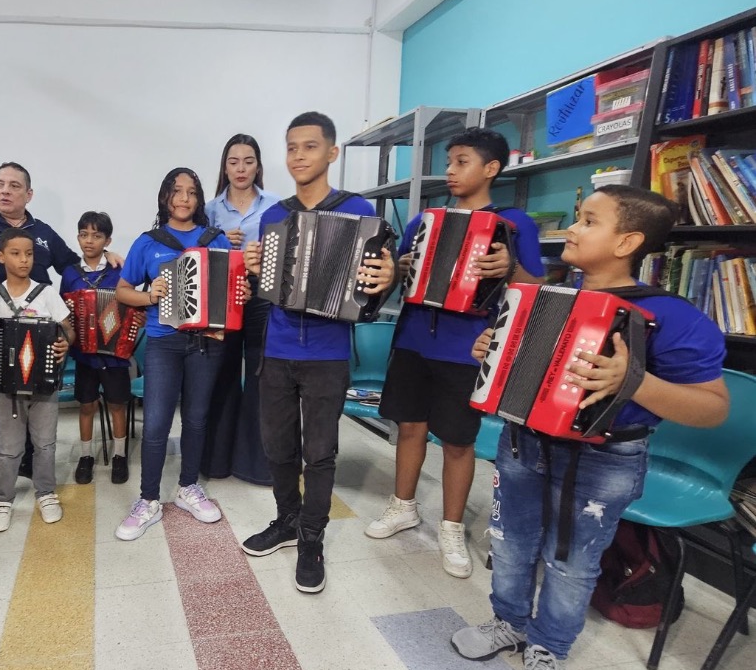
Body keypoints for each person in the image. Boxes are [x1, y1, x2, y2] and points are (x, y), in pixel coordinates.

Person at [451, 185, 728, 670]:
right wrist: (490, 348)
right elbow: (516, 365)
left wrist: (634, 382)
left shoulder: (672, 316)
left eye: (588, 221)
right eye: (576, 217)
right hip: (524, 443)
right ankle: (509, 620)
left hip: (606, 459)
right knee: (509, 544)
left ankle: (548, 649)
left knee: (572, 565)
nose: (573, 229)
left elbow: (712, 408)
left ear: (627, 240)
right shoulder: (547, 294)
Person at [365, 128, 546, 578]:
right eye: (449, 161)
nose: (450, 170)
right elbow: (390, 278)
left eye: (461, 161)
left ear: (491, 169)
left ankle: (450, 526)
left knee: (458, 441)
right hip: (412, 340)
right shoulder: (422, 221)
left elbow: (536, 290)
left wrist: (511, 267)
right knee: (409, 427)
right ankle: (403, 506)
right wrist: (397, 267)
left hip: (467, 347)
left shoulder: (513, 224)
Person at [241, 112, 396, 593]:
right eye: (291, 148)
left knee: (320, 452)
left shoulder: (358, 209)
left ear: (332, 153)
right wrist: (252, 268)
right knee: (277, 447)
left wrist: (386, 279)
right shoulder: (274, 214)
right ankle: (287, 521)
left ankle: (312, 538)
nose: (298, 157)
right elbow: (265, 290)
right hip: (277, 348)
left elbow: (376, 286)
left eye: (309, 147)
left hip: (328, 352)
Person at [0, 164, 120, 513]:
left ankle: (33, 471)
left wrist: (108, 258)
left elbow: (73, 264)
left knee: (39, 409)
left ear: (28, 194)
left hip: (38, 332)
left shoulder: (43, 232)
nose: (5, 191)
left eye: (14, 186)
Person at [113, 168, 235, 540]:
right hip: (163, 341)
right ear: (165, 196)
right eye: (176, 191)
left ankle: (187, 488)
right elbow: (122, 290)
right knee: (155, 424)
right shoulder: (149, 242)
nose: (183, 198)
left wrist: (235, 303)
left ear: (199, 200)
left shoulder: (215, 240)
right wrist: (151, 295)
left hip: (205, 342)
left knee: (197, 419)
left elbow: (232, 289)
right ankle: (148, 499)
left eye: (191, 192)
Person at [0, 227, 73, 532]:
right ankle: (3, 498)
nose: (24, 260)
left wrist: (65, 342)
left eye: (29, 253)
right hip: (6, 387)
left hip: (44, 384)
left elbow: (67, 328)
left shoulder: (46, 294)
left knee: (45, 444)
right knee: (9, 447)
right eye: (16, 253)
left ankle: (46, 492)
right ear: (1, 256)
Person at [200, 134, 280, 485]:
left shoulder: (277, 205)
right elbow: (195, 251)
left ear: (258, 165)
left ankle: (256, 465)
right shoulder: (211, 209)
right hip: (224, 293)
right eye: (234, 162)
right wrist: (217, 238)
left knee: (262, 377)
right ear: (225, 166)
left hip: (263, 295)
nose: (241, 168)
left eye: (248, 161)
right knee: (223, 374)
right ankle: (218, 460)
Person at [59, 211, 136, 485]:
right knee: (86, 405)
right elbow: (62, 310)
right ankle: (85, 456)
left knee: (117, 405)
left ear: (107, 240)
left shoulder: (119, 270)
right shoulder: (70, 274)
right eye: (84, 234)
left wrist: (133, 323)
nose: (89, 240)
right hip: (84, 354)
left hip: (115, 353)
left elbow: (131, 304)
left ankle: (119, 456)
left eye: (96, 235)